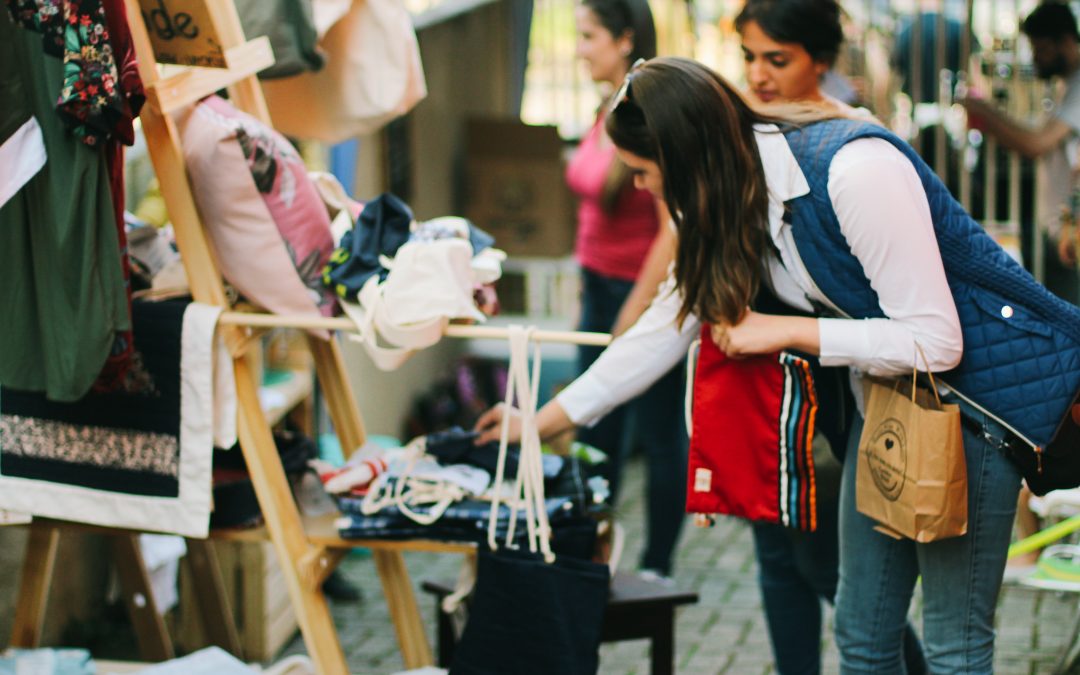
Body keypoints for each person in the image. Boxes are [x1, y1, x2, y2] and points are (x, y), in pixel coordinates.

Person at [477, 55, 1080, 672]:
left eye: (642, 171)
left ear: (687, 161)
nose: (639, 187)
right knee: (862, 636)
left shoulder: (854, 169)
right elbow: (660, 330)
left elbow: (935, 341)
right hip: (893, 411)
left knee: (953, 645)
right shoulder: (732, 198)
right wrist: (541, 422)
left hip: (979, 410)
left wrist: (784, 331)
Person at [566, 0, 687, 582]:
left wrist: (632, 315)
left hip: (635, 296)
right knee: (596, 430)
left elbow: (672, 228)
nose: (580, 48)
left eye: (588, 36)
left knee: (661, 436)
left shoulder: (646, 112)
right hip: (598, 288)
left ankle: (656, 567)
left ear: (622, 40)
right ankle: (593, 553)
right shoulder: (606, 107)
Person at [961, 1, 1080, 302]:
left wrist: (986, 113)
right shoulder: (1066, 85)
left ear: (1065, 42)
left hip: (1070, 237)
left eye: (1042, 49)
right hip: (1062, 234)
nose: (1036, 58)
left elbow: (1036, 143)